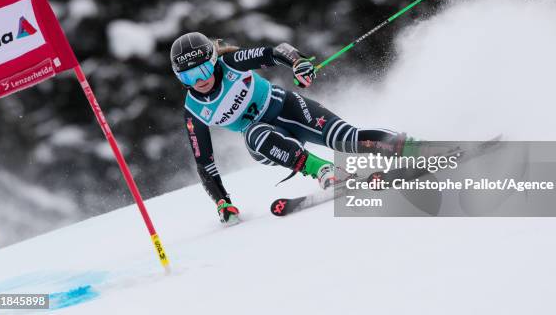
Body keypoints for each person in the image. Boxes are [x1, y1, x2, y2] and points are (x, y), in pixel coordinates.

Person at [172, 32, 410, 225]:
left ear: (213, 62)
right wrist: (222, 202)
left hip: (288, 108)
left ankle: (410, 148)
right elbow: (205, 162)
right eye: (188, 77)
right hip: (266, 141)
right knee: (255, 133)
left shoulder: (231, 63)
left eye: (202, 71)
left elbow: (276, 52)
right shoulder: (194, 111)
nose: (199, 81)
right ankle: (324, 171)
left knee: (346, 138)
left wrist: (298, 63)